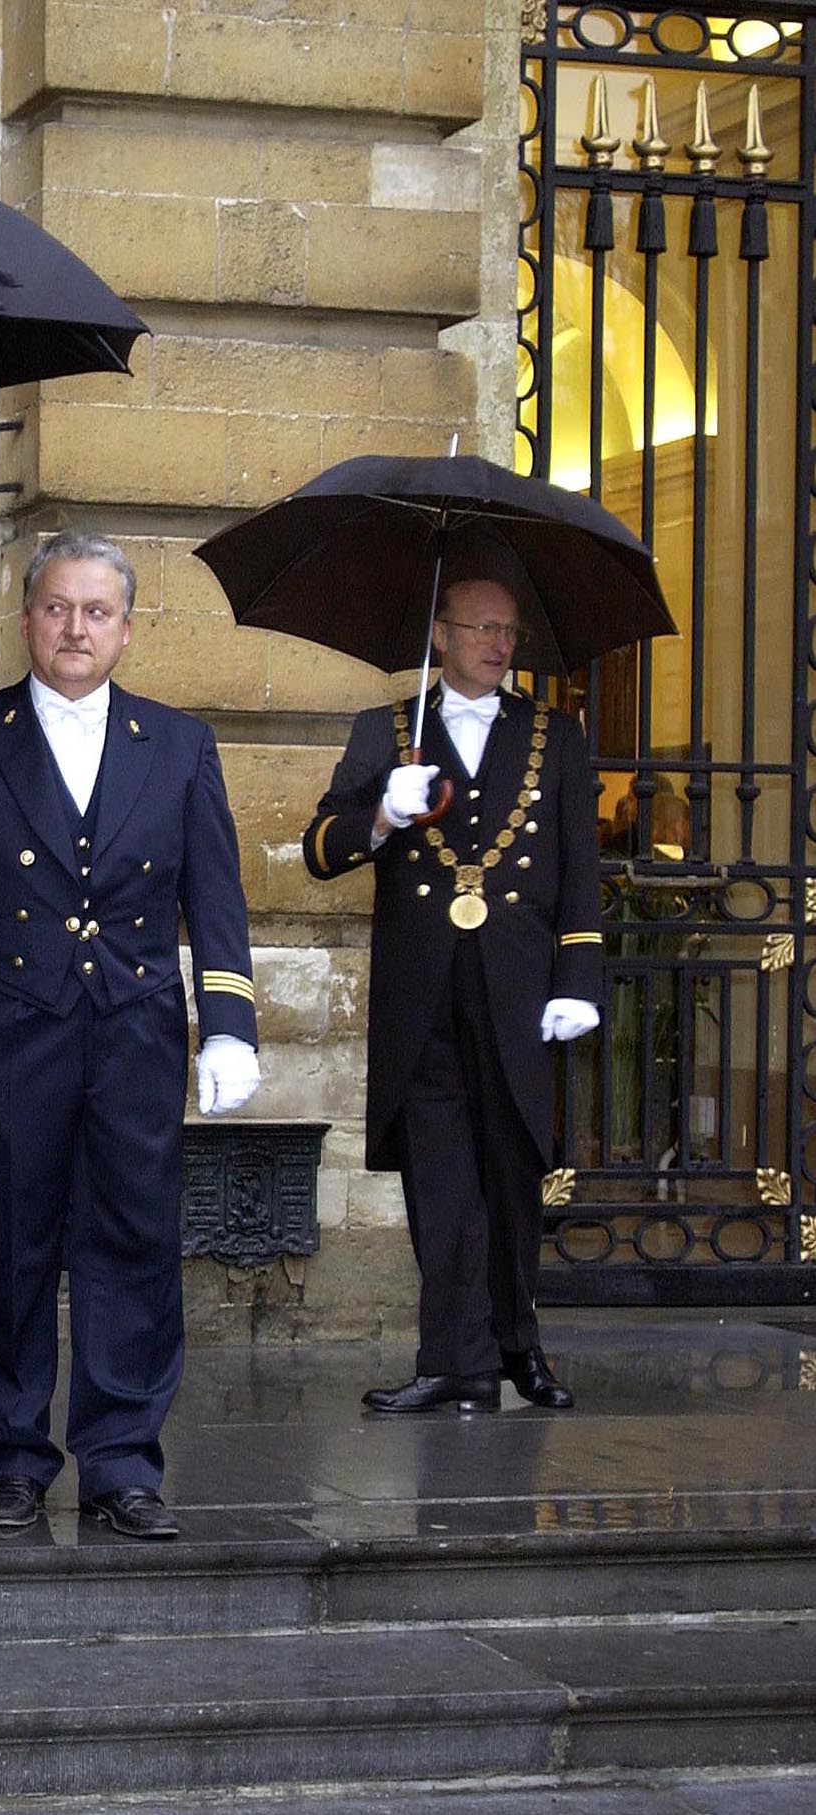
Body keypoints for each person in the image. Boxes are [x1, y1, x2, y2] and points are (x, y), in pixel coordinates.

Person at [0, 531, 260, 1542]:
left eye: (96, 611)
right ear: (25, 619)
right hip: (5, 1032)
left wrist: (229, 1023)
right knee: (15, 1251)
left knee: (133, 1250)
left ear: (124, 627)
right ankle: (15, 1457)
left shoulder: (181, 743)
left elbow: (217, 894)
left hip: (134, 1034)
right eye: (58, 608)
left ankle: (121, 1465)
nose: (76, 628)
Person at [303, 574, 600, 1414]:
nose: (498, 644)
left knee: (512, 1169)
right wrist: (381, 819)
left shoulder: (553, 734)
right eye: (480, 628)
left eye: (508, 632)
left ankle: (517, 1345)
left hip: (516, 987)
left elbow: (580, 865)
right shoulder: (387, 730)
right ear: (439, 634)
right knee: (438, 1177)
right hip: (421, 991)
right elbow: (319, 848)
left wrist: (578, 976)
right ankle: (452, 1359)